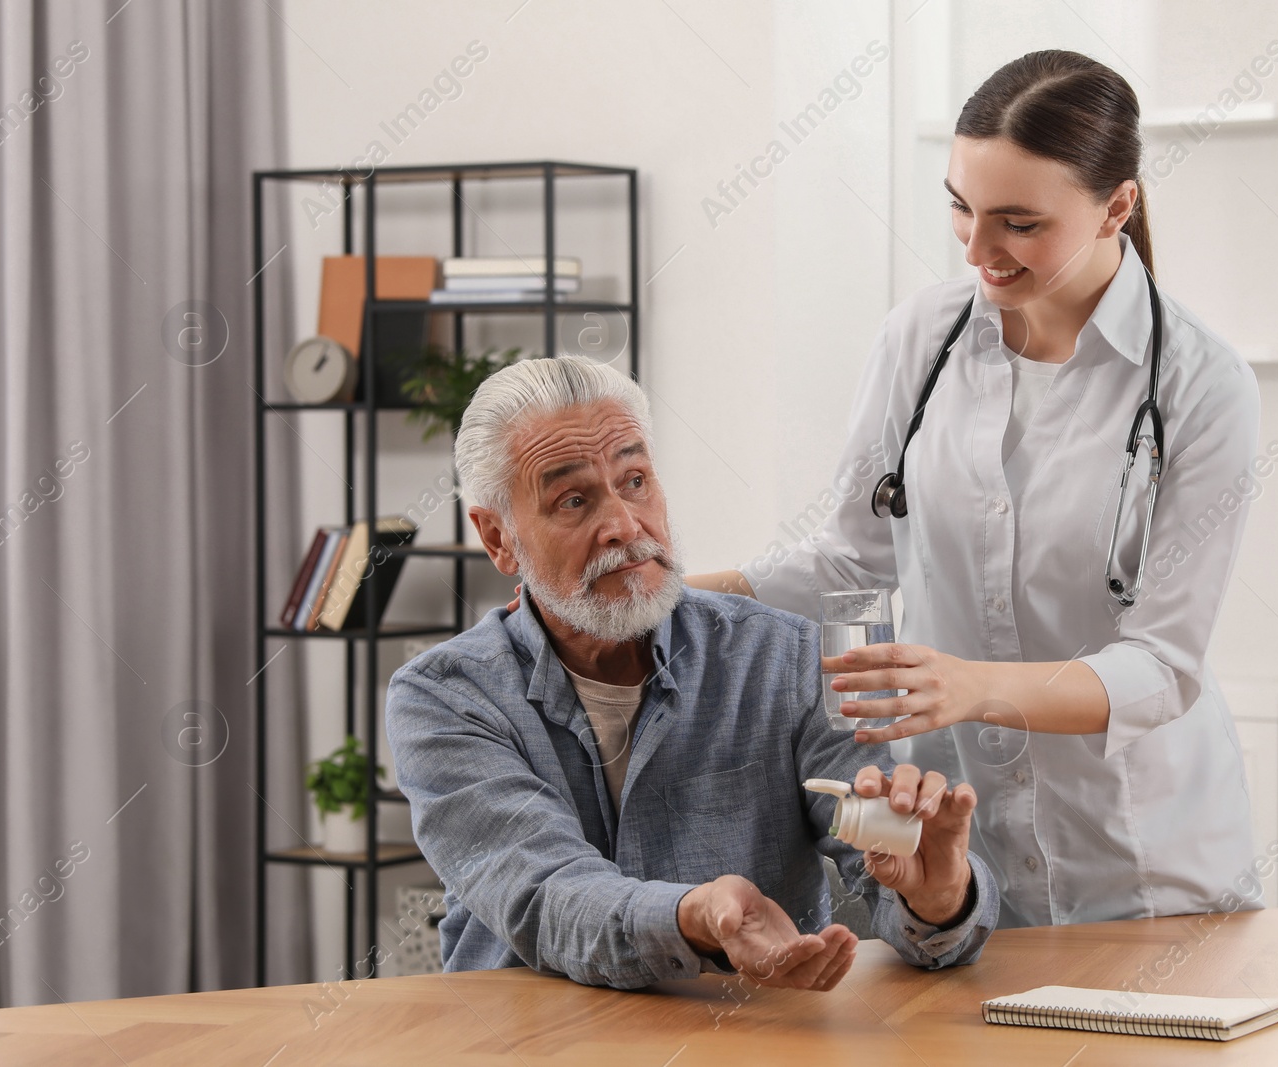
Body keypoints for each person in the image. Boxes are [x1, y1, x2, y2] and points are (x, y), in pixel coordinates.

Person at [690, 50, 1264, 928]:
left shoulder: (1201, 385)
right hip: (962, 864)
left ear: (1118, 205)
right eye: (961, 207)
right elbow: (852, 559)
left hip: (1144, 865)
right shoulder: (921, 339)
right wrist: (671, 596)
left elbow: (1161, 668)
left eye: (1019, 222)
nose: (976, 248)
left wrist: (973, 684)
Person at [386, 355, 997, 990]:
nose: (623, 525)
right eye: (573, 500)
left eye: (636, 481)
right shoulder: (445, 698)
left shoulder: (788, 658)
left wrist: (938, 900)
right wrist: (689, 918)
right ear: (498, 538)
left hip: (748, 1042)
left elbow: (886, 857)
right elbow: (543, 894)